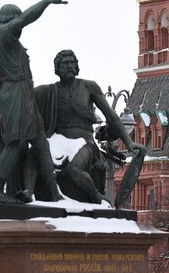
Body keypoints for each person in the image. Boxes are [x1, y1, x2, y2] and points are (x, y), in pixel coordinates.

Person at [0, 0, 75, 204]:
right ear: (11, 19)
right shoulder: (3, 33)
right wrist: (47, 2)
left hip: (23, 93)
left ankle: (55, 193)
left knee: (41, 144)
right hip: (14, 93)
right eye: (17, 20)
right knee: (15, 143)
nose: (20, 27)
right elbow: (26, 18)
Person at [33, 49, 146, 204]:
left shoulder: (88, 87)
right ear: (57, 68)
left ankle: (96, 197)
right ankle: (29, 194)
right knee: (33, 155)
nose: (70, 66)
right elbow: (25, 98)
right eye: (65, 63)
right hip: (57, 143)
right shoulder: (48, 91)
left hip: (84, 143)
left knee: (74, 169)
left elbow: (111, 116)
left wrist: (129, 142)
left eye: (72, 63)